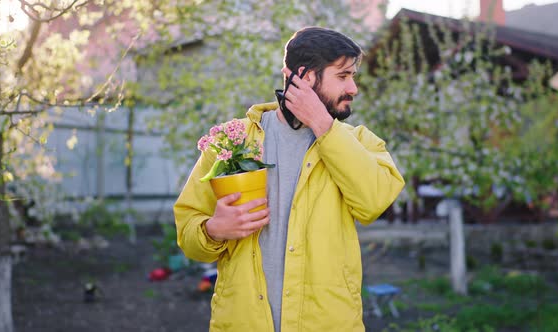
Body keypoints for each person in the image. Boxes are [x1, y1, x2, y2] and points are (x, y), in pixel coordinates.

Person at [174, 26, 405, 331]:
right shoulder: (231, 141)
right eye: (343, 76)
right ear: (306, 76)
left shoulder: (361, 143)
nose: (353, 88)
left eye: (353, 76)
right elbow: (188, 233)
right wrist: (214, 230)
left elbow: (374, 203)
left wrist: (323, 125)